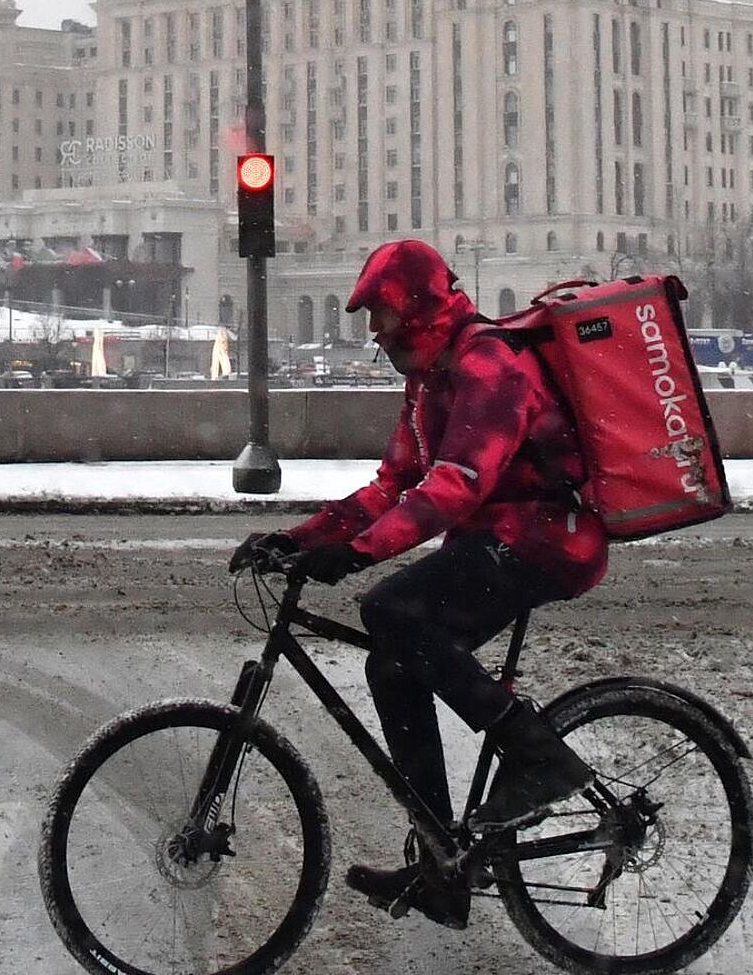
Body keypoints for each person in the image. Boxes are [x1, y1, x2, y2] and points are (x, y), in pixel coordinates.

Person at [228, 238, 609, 925]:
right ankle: (444, 866)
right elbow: (393, 484)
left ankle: (541, 759)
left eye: (382, 315)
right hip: (494, 540)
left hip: (546, 540)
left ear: (418, 308)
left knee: (391, 610)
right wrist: (301, 538)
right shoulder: (429, 380)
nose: (375, 331)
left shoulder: (490, 363)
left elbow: (458, 481)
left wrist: (361, 555)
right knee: (392, 668)